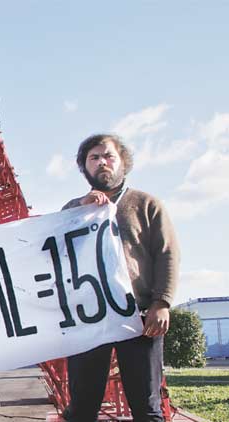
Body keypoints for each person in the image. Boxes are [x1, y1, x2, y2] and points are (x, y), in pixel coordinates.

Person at [61, 134, 180, 422]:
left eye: (108, 156)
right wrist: (80, 211)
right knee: (81, 407)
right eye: (94, 157)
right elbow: (57, 256)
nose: (102, 162)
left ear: (123, 162)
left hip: (138, 319)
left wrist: (161, 302)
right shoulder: (71, 210)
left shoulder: (146, 204)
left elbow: (166, 254)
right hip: (89, 319)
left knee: (146, 406)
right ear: (84, 168)